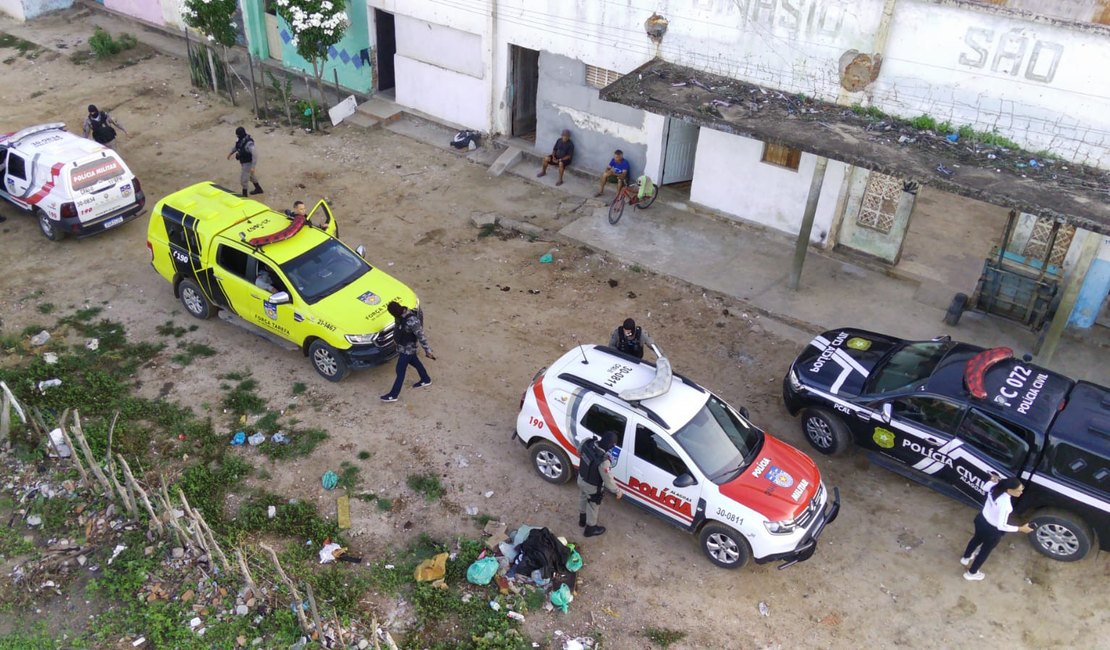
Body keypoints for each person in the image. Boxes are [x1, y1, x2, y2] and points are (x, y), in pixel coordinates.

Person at [960, 473, 1034, 581]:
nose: (1021, 492)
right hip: (992, 530)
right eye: (1019, 490)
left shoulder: (993, 488)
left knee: (976, 539)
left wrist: (993, 480)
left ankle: (965, 558)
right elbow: (1001, 525)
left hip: (981, 519)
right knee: (984, 551)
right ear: (1009, 490)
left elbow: (985, 487)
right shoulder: (1005, 505)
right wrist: (1021, 529)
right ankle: (972, 573)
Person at [381, 301, 436, 402]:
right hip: (402, 348)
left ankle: (393, 395)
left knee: (400, 371)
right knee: (416, 363)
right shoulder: (399, 315)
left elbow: (421, 336)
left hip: (408, 350)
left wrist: (427, 350)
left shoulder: (412, 320)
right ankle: (426, 379)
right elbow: (398, 329)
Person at [578, 430, 622, 537]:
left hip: (581, 478)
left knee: (583, 497)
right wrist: (618, 491)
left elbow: (578, 451)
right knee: (593, 506)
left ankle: (582, 520)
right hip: (592, 486)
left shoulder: (587, 442)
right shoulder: (603, 460)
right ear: (611, 446)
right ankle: (590, 529)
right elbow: (608, 480)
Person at [226, 127, 263, 198]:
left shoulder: (249, 144)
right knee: (251, 176)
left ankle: (244, 195)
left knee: (243, 180)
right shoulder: (240, 140)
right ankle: (258, 189)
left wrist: (253, 167)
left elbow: (255, 155)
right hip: (243, 161)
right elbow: (237, 147)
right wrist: (231, 153)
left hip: (248, 163)